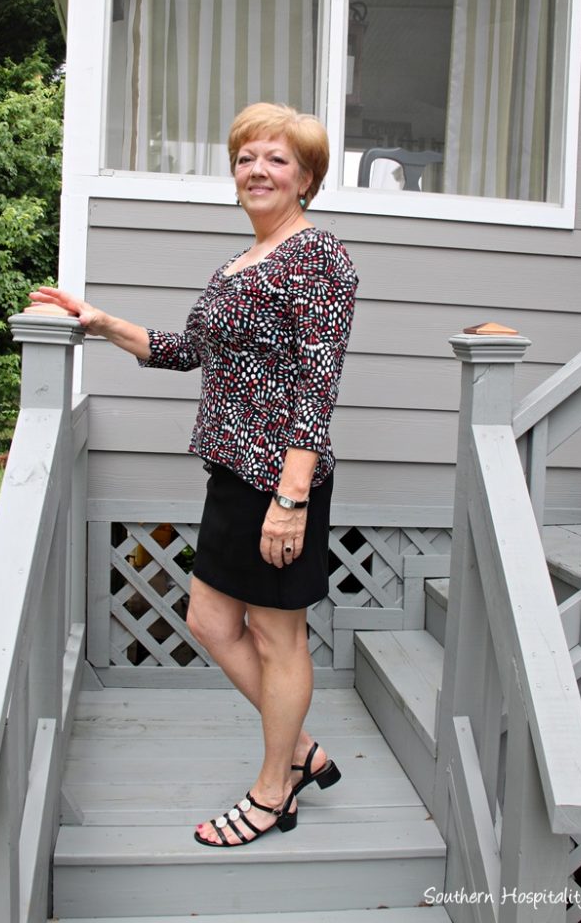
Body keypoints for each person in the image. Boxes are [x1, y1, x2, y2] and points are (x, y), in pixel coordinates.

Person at [26, 102, 358, 848]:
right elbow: (188, 351)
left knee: (280, 640)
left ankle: (274, 792)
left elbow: (317, 385)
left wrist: (291, 499)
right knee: (208, 621)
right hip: (230, 474)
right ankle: (299, 750)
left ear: (305, 177)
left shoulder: (318, 258)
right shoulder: (239, 263)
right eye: (246, 157)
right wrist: (102, 322)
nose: (256, 170)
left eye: (276, 159)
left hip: (280, 481)